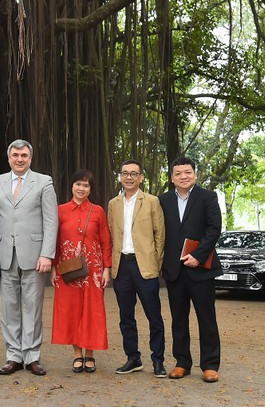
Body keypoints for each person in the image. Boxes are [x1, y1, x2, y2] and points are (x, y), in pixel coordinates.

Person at [0, 139, 58, 376]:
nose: (19, 159)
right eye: (15, 155)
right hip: (5, 254)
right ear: (9, 158)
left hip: (35, 255)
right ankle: (13, 356)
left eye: (24, 155)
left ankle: (32, 356)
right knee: (9, 308)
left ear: (30, 158)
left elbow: (51, 220)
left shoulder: (44, 182)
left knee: (33, 307)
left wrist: (47, 253)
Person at [159, 157, 223, 383]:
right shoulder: (163, 200)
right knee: (178, 319)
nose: (183, 176)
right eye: (178, 173)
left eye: (187, 172)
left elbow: (214, 229)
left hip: (201, 269)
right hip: (174, 270)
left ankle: (210, 365)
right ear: (172, 177)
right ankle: (182, 362)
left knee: (206, 318)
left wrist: (198, 255)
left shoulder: (207, 197)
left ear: (195, 174)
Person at [107, 159, 167, 378]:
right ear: (121, 177)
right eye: (125, 173)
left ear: (141, 177)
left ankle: (158, 360)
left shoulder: (151, 201)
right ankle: (133, 358)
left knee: (154, 316)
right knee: (126, 316)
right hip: (122, 266)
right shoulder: (113, 203)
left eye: (134, 173)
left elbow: (159, 234)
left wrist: (157, 263)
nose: (129, 177)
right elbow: (112, 232)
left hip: (145, 266)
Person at [51, 169, 112, 373]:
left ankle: (90, 354)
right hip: (68, 270)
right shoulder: (60, 210)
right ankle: (77, 354)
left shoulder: (98, 211)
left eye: (86, 185)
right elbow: (55, 242)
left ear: (90, 189)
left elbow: (105, 240)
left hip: (93, 270)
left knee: (93, 311)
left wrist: (106, 269)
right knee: (71, 311)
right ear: (71, 186)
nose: (81, 188)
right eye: (78, 184)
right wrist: (53, 268)